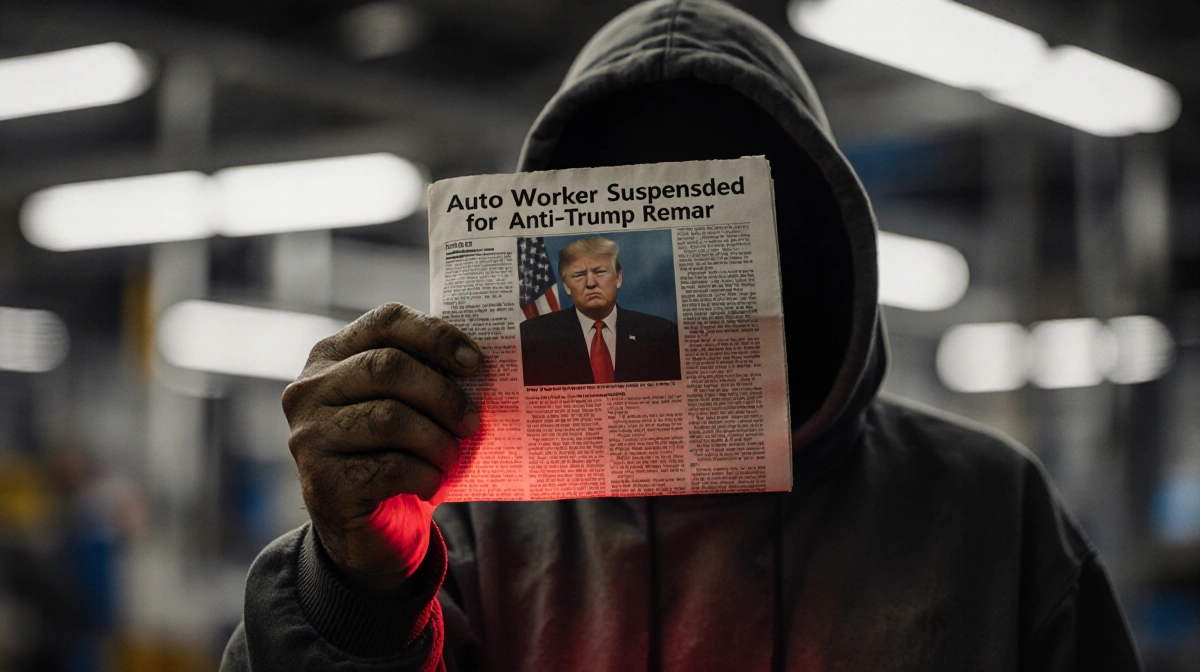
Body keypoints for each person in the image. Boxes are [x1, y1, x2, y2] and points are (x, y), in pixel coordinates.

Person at [222, 1, 1143, 670]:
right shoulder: (452, 519)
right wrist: (351, 590)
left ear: (820, 248)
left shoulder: (987, 512)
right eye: (584, 251)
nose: (598, 273)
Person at [520, 236, 681, 386]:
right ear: (566, 286)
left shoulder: (661, 334)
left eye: (599, 272)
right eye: (579, 275)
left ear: (618, 278)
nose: (591, 283)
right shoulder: (534, 336)